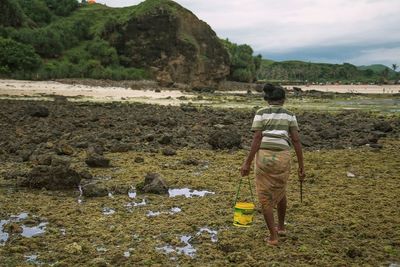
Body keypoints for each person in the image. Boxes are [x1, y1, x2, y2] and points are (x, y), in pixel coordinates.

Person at [240, 84, 305, 246]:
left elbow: (257, 139)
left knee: (265, 197)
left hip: (264, 158)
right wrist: (301, 165)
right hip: (283, 157)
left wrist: (247, 162)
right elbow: (296, 140)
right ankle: (281, 227)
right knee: (281, 191)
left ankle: (273, 237)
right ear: (283, 100)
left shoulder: (260, 113)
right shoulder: (290, 115)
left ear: (267, 99)